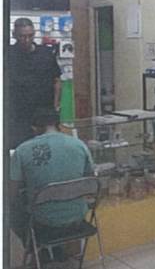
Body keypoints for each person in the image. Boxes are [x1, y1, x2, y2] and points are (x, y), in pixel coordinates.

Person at [9, 108, 95, 250]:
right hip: (77, 216)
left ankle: (34, 249)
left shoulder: (22, 150)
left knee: (11, 211)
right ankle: (60, 251)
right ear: (58, 125)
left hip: (43, 220)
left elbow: (11, 192)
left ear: (34, 128)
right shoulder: (79, 145)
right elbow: (91, 181)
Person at [9, 17, 62, 148]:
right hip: (17, 115)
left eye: (30, 35)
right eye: (22, 36)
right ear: (14, 35)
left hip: (44, 112)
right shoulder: (7, 54)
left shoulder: (46, 53)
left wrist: (55, 107)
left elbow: (56, 81)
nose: (26, 40)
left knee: (47, 148)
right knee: (19, 149)